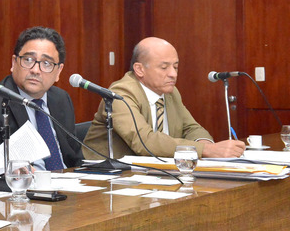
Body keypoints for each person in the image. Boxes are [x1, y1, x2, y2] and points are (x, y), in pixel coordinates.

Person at [82, 37, 246, 159]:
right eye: (164, 67)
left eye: (175, 66)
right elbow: (144, 141)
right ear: (139, 69)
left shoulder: (170, 93)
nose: (173, 74)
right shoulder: (121, 94)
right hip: (107, 177)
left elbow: (191, 128)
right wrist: (206, 151)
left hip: (154, 172)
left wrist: (207, 145)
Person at [0, 26, 82, 170]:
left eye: (46, 63)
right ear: (14, 63)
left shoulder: (61, 99)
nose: (35, 70)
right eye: (28, 60)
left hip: (68, 180)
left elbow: (74, 157)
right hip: (25, 182)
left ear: (59, 71)